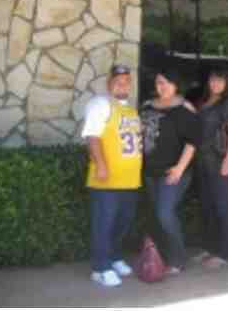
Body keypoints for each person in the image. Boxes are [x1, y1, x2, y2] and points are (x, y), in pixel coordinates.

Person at [82, 64, 143, 288]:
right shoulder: (100, 104)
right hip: (106, 180)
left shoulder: (131, 110)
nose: (122, 84)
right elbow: (92, 137)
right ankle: (100, 268)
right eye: (117, 81)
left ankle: (114, 258)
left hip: (130, 180)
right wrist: (100, 165)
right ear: (109, 84)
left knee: (122, 223)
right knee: (104, 224)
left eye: (126, 81)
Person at [140, 69, 201, 275]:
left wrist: (180, 168)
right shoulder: (147, 106)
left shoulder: (184, 108)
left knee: (165, 213)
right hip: (150, 170)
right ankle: (160, 257)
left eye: (167, 82)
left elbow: (193, 142)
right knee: (157, 216)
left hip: (173, 171)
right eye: (159, 82)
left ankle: (178, 259)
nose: (163, 86)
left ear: (176, 85)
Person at [194, 69, 228, 268]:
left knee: (223, 207)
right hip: (203, 162)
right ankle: (209, 247)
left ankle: (224, 253)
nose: (216, 83)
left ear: (226, 83)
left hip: (221, 161)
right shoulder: (205, 102)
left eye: (220, 80)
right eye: (213, 80)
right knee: (207, 206)